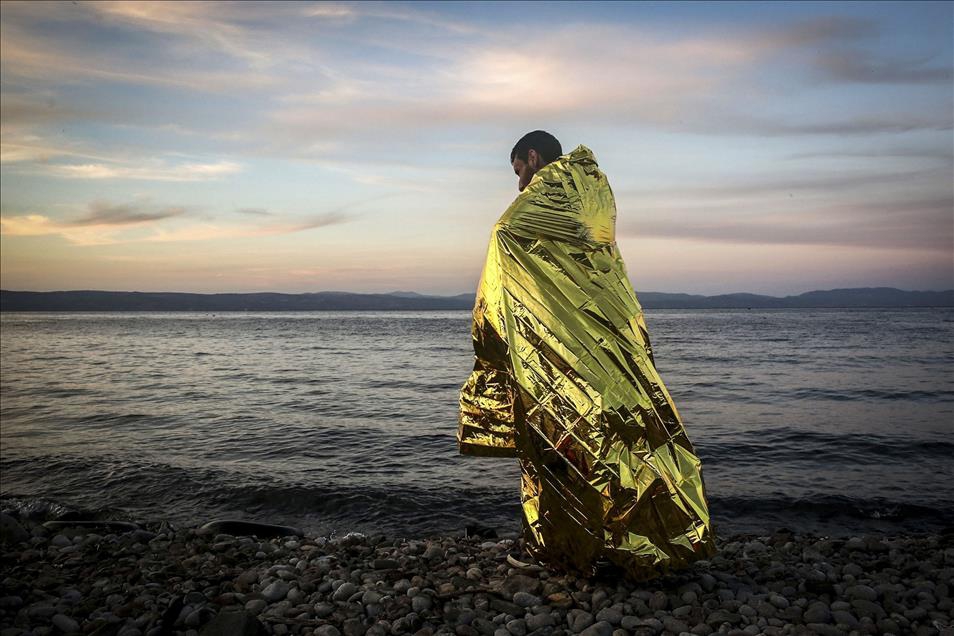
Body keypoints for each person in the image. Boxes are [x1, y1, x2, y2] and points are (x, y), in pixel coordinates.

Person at [457, 130, 716, 581]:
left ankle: (556, 549)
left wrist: (498, 337)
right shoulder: (592, 193)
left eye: (519, 170)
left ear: (533, 157)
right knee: (619, 442)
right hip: (609, 345)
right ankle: (635, 546)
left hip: (563, 352)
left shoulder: (545, 197)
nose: (519, 183)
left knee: (555, 441)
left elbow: (506, 237)